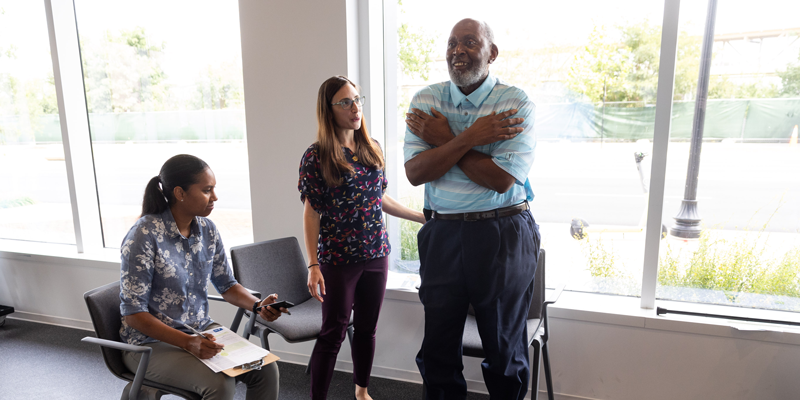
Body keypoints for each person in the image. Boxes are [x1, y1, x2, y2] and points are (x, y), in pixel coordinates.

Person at [403, 19, 541, 400]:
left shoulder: (515, 103)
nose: (457, 50)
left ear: (491, 53)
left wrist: (445, 141)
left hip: (503, 233)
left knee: (504, 352)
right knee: (437, 350)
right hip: (443, 233)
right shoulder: (425, 101)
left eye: (468, 42)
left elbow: (499, 180)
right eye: (451, 43)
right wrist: (471, 137)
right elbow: (416, 173)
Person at [119, 154, 288, 400]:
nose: (215, 197)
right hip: (149, 343)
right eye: (207, 190)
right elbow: (133, 315)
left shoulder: (207, 230)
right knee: (219, 383)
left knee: (265, 369)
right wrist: (188, 343)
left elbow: (227, 286)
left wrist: (257, 305)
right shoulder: (143, 235)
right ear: (180, 193)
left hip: (200, 330)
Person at [299, 76, 426, 400]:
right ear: (329, 110)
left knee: (367, 329)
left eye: (357, 99)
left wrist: (420, 217)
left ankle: (362, 391)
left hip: (376, 254)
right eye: (345, 102)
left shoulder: (372, 148)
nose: (355, 108)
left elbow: (378, 199)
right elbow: (311, 213)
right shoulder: (317, 156)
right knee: (333, 332)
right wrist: (313, 264)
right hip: (338, 260)